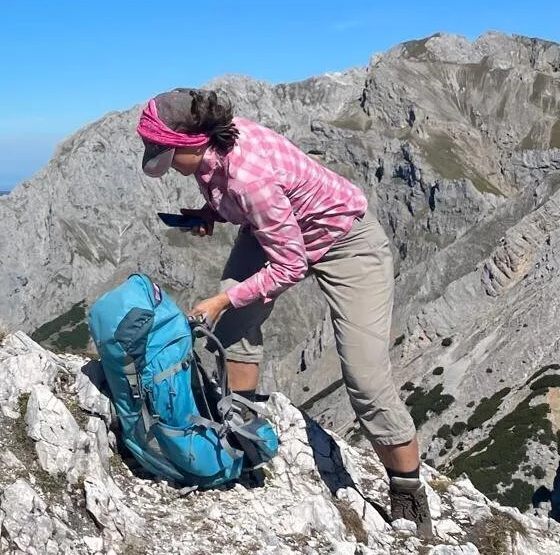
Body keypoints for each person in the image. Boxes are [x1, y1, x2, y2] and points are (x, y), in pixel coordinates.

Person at [137, 88, 433, 539]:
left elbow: (290, 265)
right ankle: (238, 434)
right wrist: (209, 212)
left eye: (167, 153)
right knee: (232, 330)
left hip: (346, 243)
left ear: (192, 142)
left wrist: (223, 299)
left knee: (366, 379)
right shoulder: (216, 151)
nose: (166, 163)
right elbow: (240, 200)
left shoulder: (248, 175)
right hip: (273, 230)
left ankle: (409, 497)